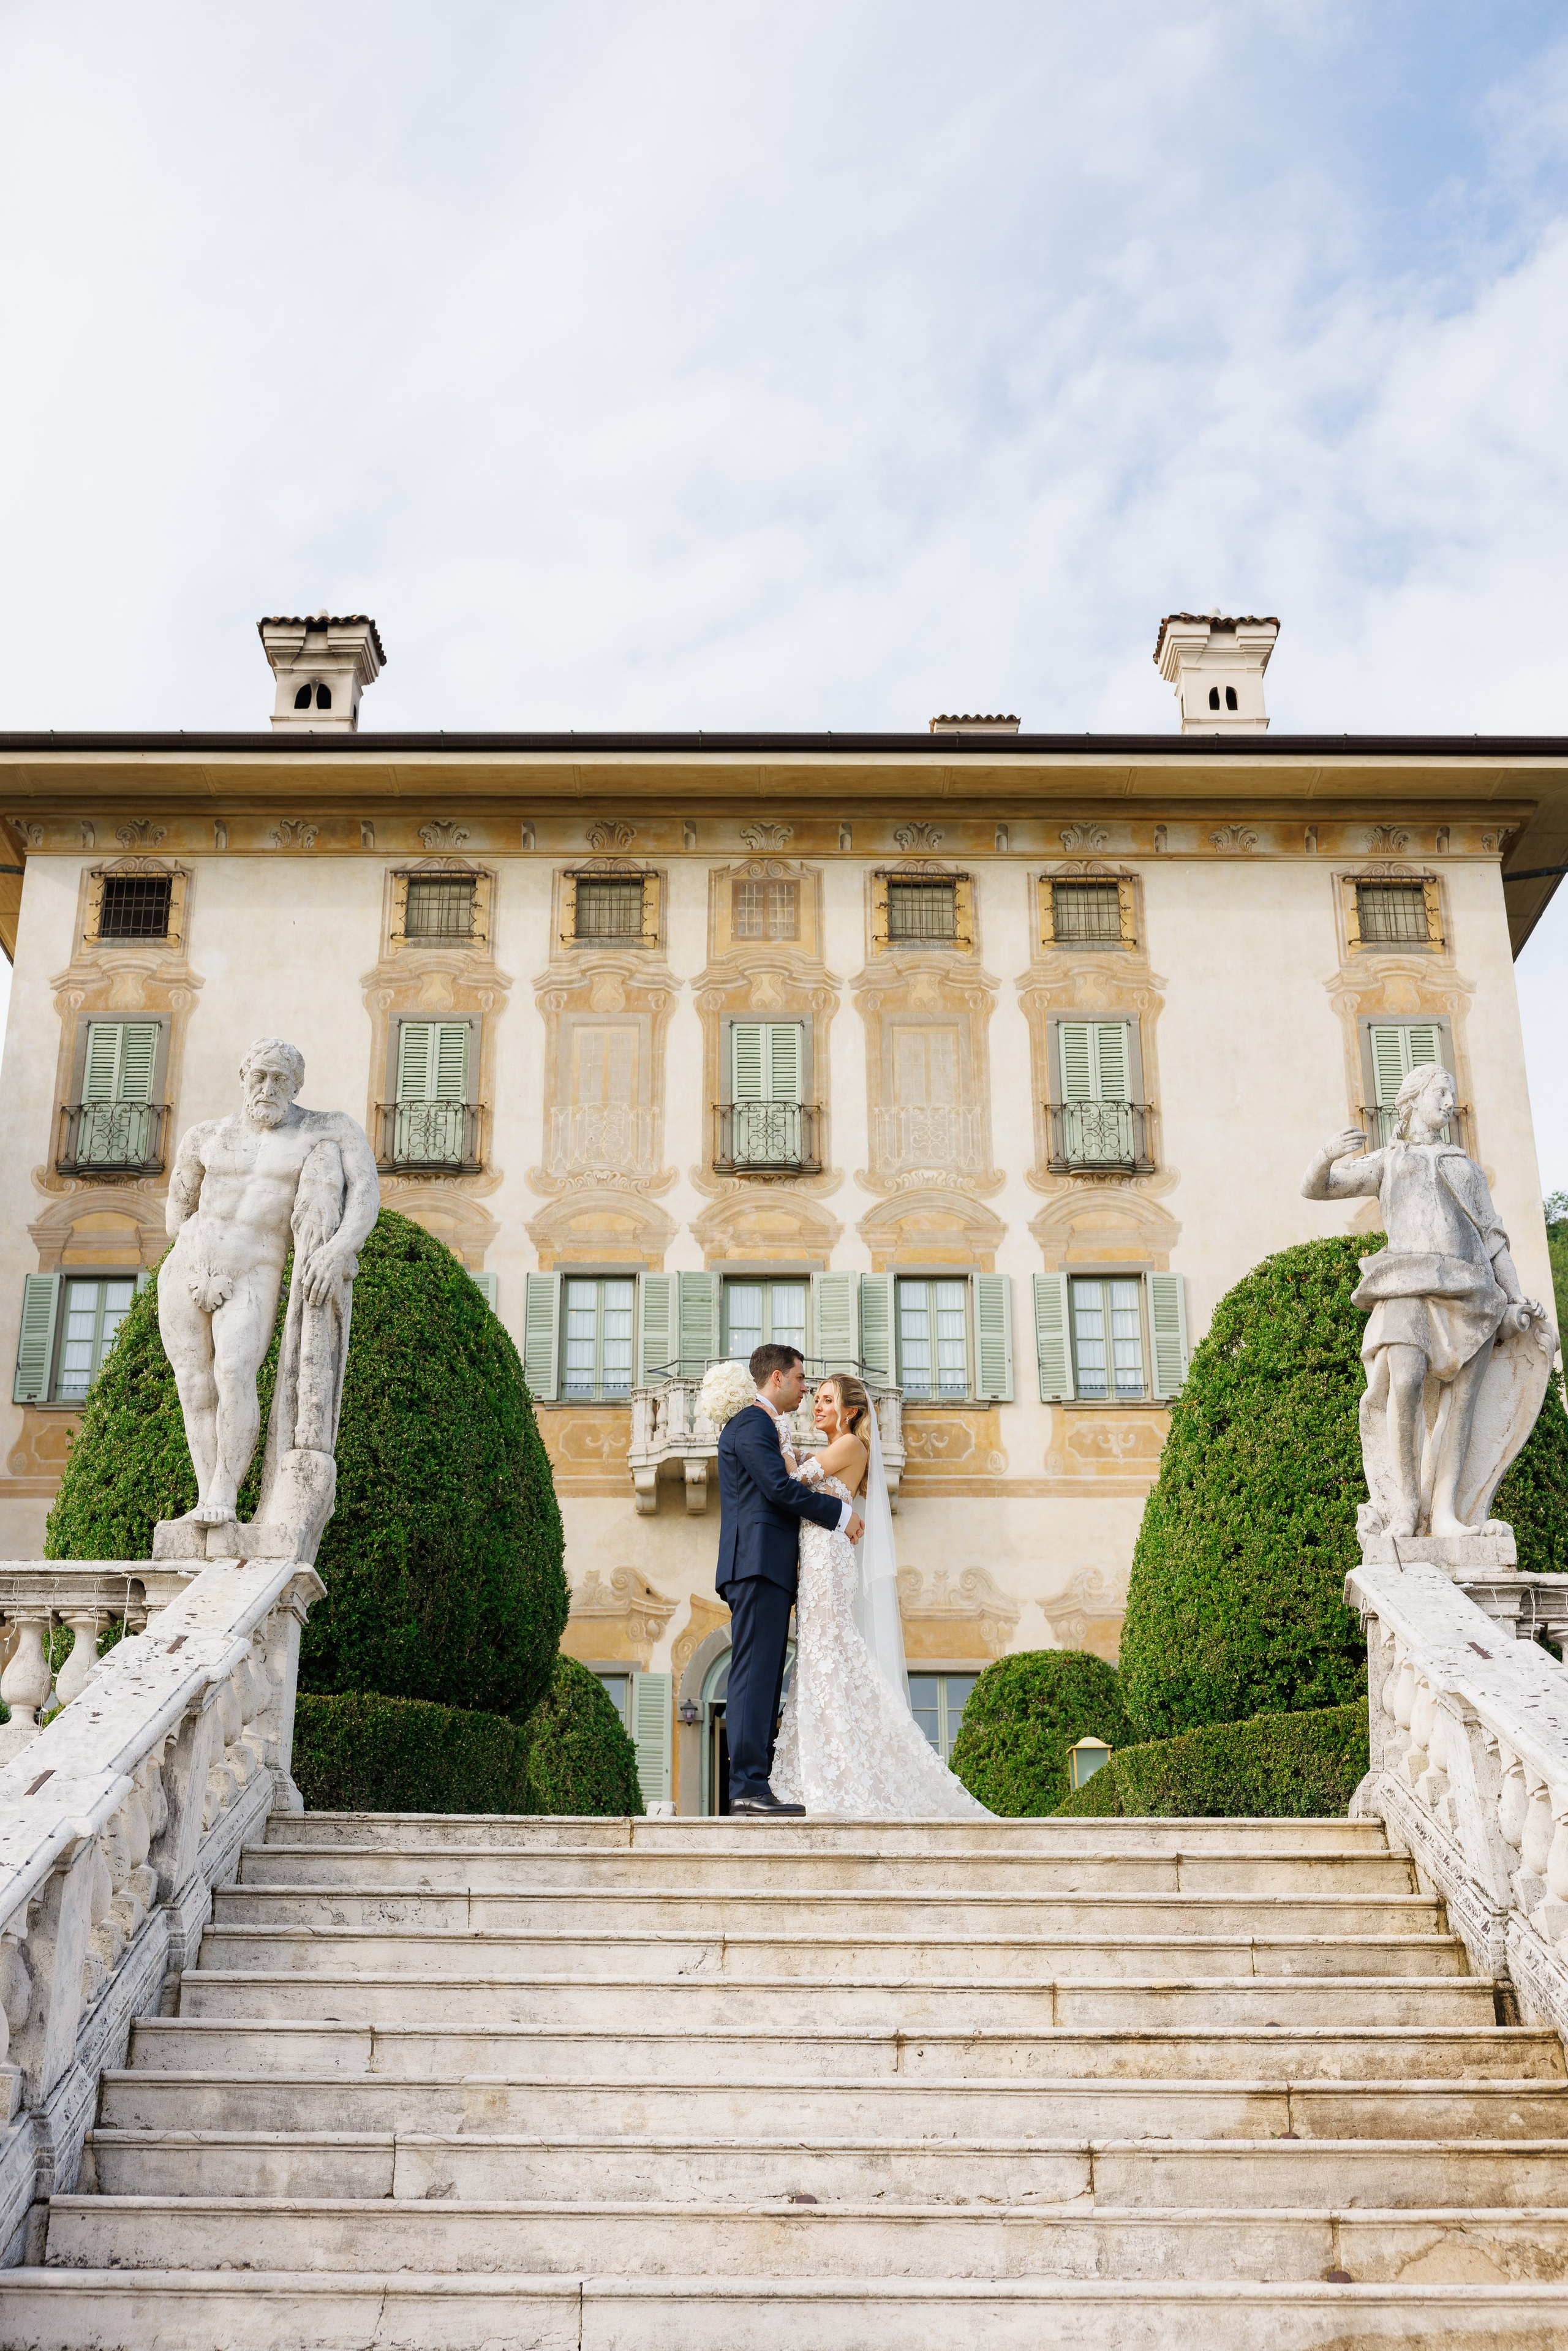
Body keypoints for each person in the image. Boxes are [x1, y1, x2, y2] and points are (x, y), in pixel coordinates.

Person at [1302, 1060, 1547, 1539]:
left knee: (1462, 1404)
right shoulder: (1389, 1161)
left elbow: (1494, 1239)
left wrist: (1515, 1299)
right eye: (1440, 1094)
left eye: (1451, 1095)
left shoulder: (1465, 1167)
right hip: (1404, 1286)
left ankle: (1446, 1514)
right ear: (1412, 1100)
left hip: (1472, 1292)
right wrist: (1325, 1155)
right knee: (1406, 1382)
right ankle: (1403, 1506)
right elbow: (1318, 1189)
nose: (1449, 1103)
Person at [159, 1038, 379, 1528]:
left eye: (281, 1078)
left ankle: (225, 1494)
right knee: (194, 1388)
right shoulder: (205, 1137)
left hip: (255, 1269)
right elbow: (178, 1209)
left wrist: (337, 1249)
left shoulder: (326, 1129)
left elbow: (366, 1194)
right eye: (259, 1075)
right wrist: (196, 1250)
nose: (268, 1086)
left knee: (234, 1373)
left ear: (297, 1085)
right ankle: (204, 1494)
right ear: (244, 1079)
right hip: (189, 1268)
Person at [771, 1373, 994, 1819]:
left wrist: (775, 1430)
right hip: (818, 1559)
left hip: (827, 1564)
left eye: (827, 1400)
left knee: (828, 1654)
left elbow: (793, 1480)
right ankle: (825, 1770)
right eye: (815, 1399)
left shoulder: (851, 1445)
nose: (817, 1407)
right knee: (821, 1657)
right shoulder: (834, 1448)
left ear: (850, 1411)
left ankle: (839, 1775)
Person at [714, 1343, 864, 1817]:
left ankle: (753, 1784)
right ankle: (747, 1788)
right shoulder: (752, 1424)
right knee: (754, 1678)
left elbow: (789, 1475)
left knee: (762, 1678)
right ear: (776, 1378)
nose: (806, 1390)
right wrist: (840, 1514)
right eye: (801, 1381)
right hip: (756, 1565)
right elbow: (780, 1490)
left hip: (770, 1568)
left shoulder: (766, 1428)